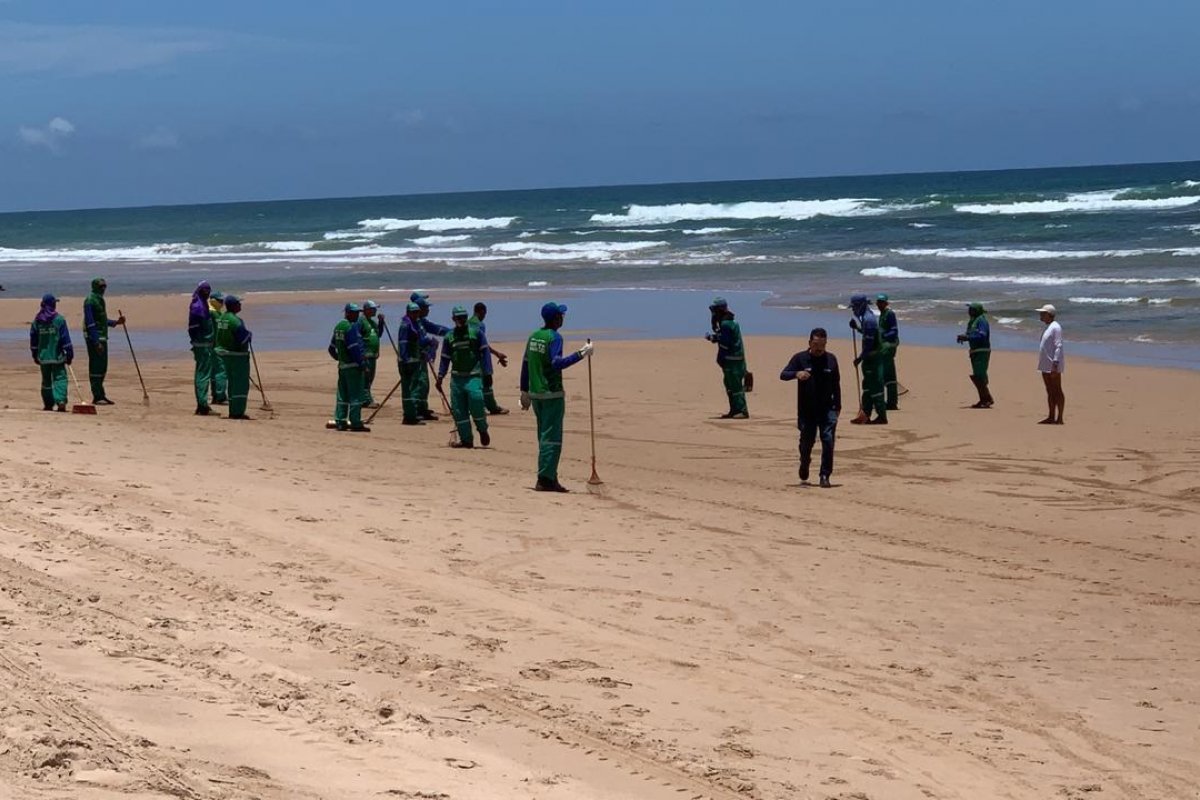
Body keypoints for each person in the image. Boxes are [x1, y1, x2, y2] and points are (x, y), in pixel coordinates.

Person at [520, 302, 593, 492]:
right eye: (561, 315)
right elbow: (557, 363)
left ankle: (550, 475)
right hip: (551, 394)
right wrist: (581, 354)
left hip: (535, 394)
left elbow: (525, 364)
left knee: (543, 436)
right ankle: (545, 479)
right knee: (552, 438)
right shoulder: (555, 337)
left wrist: (524, 391)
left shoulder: (533, 336)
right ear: (555, 319)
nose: (563, 318)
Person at [780, 328, 842, 488]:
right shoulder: (800, 358)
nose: (819, 349)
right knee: (807, 442)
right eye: (816, 345)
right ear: (809, 343)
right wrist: (796, 374)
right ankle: (805, 461)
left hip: (827, 409)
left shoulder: (831, 360)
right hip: (807, 410)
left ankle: (824, 475)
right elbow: (783, 374)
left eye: (822, 345)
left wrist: (838, 406)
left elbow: (836, 385)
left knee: (828, 441)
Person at [437, 305, 493, 448]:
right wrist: (440, 376)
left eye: (463, 317)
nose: (461, 320)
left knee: (477, 403)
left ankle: (482, 429)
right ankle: (466, 439)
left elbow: (485, 353)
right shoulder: (449, 337)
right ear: (453, 319)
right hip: (456, 379)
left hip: (473, 376)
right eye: (458, 317)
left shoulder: (477, 333)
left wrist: (488, 373)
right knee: (459, 411)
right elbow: (444, 358)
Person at [81, 277, 125, 405]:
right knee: (96, 366)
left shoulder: (100, 300)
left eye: (105, 286)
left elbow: (102, 320)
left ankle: (100, 394)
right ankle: (97, 395)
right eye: (101, 286)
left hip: (103, 336)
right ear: (95, 287)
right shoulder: (89, 301)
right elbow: (90, 323)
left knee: (103, 366)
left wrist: (116, 322)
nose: (103, 289)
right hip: (94, 337)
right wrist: (96, 342)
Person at [328, 303, 370, 432]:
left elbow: (331, 348)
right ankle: (355, 422)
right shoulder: (350, 328)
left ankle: (340, 420)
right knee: (355, 395)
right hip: (353, 368)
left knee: (342, 395)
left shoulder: (338, 327)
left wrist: (340, 358)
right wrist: (362, 365)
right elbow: (354, 349)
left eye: (358, 313)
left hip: (343, 367)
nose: (357, 315)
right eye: (354, 313)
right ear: (347, 313)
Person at [705, 297, 749, 419]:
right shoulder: (728, 322)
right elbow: (723, 337)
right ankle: (734, 410)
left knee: (735, 385)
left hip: (732, 360)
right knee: (729, 384)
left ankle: (741, 410)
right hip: (734, 359)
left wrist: (715, 341)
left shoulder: (726, 324)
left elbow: (725, 342)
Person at [30, 294, 73, 412]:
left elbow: (33, 339)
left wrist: (34, 354)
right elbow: (65, 339)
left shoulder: (37, 321)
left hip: (43, 357)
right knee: (60, 378)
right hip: (57, 356)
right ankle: (61, 401)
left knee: (46, 380)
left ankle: (48, 404)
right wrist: (69, 354)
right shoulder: (59, 320)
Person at [848, 294, 887, 424]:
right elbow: (866, 334)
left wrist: (859, 358)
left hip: (873, 359)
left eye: (854, 307)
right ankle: (865, 413)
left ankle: (882, 416)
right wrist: (857, 327)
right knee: (867, 387)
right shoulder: (865, 318)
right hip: (869, 359)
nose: (853, 310)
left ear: (861, 306)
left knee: (875, 387)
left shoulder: (869, 320)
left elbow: (869, 345)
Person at [411, 291, 450, 420]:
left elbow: (436, 328)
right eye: (426, 307)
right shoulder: (412, 323)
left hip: (422, 357)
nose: (428, 310)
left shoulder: (422, 321)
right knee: (419, 384)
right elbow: (416, 341)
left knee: (424, 384)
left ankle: (422, 408)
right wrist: (429, 343)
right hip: (415, 359)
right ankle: (415, 410)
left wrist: (452, 332)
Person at [215, 294, 253, 420]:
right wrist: (249, 335)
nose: (240, 305)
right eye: (238, 303)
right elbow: (242, 339)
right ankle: (237, 411)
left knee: (231, 382)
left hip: (224, 354)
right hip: (237, 356)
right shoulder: (235, 321)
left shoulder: (222, 318)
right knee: (240, 384)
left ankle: (233, 409)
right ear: (234, 305)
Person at [397, 301, 434, 425]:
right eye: (413, 312)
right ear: (408, 313)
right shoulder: (405, 325)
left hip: (415, 361)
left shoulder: (415, 324)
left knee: (414, 388)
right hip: (408, 363)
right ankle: (410, 416)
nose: (416, 314)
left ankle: (413, 414)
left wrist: (427, 343)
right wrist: (405, 360)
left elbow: (418, 341)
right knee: (410, 390)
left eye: (417, 312)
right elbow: (403, 344)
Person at [469, 302, 509, 414]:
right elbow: (483, 344)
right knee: (487, 382)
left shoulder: (467, 323)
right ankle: (491, 407)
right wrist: (497, 354)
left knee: (475, 383)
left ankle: (477, 406)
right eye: (484, 314)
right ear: (481, 312)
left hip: (470, 358)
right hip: (481, 357)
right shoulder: (480, 324)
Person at [956, 302, 994, 408]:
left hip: (982, 350)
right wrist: (964, 336)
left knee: (980, 375)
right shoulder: (973, 321)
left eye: (971, 309)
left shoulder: (981, 320)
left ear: (976, 311)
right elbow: (971, 333)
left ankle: (987, 399)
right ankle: (984, 398)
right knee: (977, 375)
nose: (969, 311)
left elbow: (982, 335)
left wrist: (968, 338)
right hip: (975, 350)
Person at [187, 281, 216, 416]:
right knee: (203, 375)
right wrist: (197, 342)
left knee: (204, 373)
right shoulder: (197, 307)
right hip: (202, 345)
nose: (208, 292)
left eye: (209, 290)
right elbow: (193, 328)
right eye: (205, 290)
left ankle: (203, 404)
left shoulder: (203, 304)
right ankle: (202, 404)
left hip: (205, 344)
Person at [1036, 304, 1065, 425]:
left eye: (1043, 313)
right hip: (1045, 364)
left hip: (1053, 365)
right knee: (1049, 390)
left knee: (1057, 390)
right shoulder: (1048, 327)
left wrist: (1055, 364)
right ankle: (1051, 415)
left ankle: (1060, 417)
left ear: (1049, 315)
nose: (1040, 315)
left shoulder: (1056, 327)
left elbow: (1058, 346)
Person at [876, 293, 900, 410]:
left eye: (882, 302)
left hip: (889, 347)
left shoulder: (889, 314)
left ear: (886, 303)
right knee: (886, 374)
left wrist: (883, 336)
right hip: (884, 347)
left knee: (889, 375)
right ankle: (890, 401)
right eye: (878, 302)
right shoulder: (881, 315)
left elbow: (894, 331)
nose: (880, 304)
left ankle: (892, 402)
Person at [360, 300, 384, 407]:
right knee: (366, 377)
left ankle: (367, 398)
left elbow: (379, 334)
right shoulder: (361, 321)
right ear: (367, 310)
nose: (375, 311)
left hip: (373, 355)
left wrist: (381, 322)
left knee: (370, 377)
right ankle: (366, 400)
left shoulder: (372, 322)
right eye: (373, 309)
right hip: (366, 355)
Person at [207, 291, 228, 405]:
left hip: (211, 346)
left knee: (214, 372)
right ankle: (220, 396)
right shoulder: (214, 314)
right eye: (220, 301)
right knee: (221, 371)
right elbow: (221, 330)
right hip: (216, 346)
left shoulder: (211, 312)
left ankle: (215, 394)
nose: (222, 303)